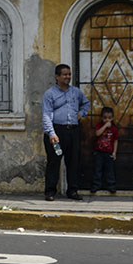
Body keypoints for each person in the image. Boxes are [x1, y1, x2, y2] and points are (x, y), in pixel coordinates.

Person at [41, 63, 90, 201]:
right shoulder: (50, 94)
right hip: (57, 131)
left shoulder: (76, 92)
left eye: (69, 74)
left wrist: (81, 113)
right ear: (57, 76)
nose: (67, 77)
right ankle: (50, 192)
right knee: (53, 162)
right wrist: (51, 133)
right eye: (64, 74)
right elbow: (46, 114)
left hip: (73, 131)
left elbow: (86, 103)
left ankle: (72, 191)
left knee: (73, 162)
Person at [91, 106, 119, 194]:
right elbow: (97, 133)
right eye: (105, 118)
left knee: (109, 171)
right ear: (101, 118)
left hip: (109, 153)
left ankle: (111, 186)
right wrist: (105, 126)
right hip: (99, 152)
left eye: (109, 118)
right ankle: (96, 186)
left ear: (112, 118)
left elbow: (115, 141)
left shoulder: (114, 129)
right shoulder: (99, 126)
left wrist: (114, 152)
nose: (107, 120)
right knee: (97, 170)